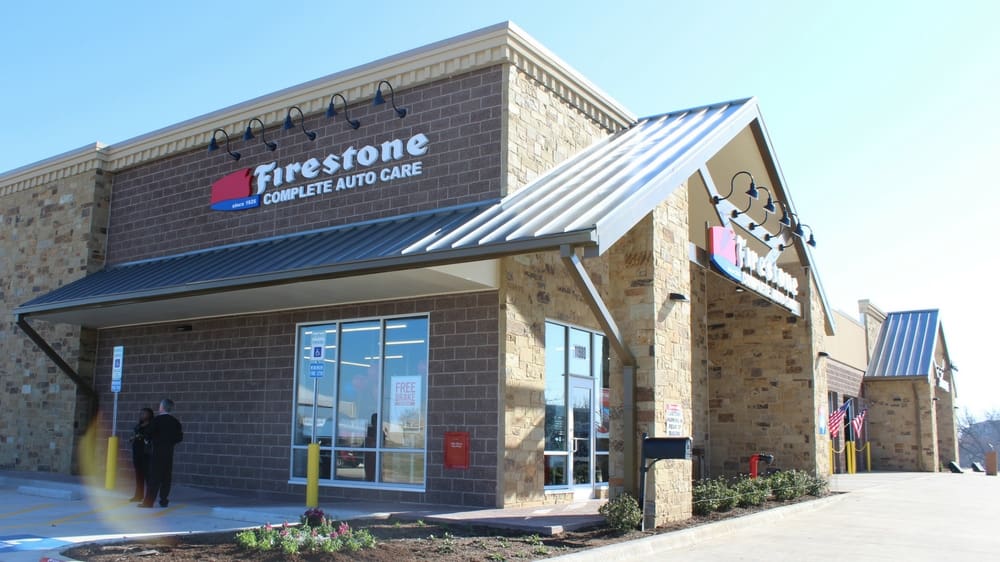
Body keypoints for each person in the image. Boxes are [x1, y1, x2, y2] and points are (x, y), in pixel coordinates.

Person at [140, 398, 183, 508]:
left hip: (157, 452)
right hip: (169, 453)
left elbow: (148, 433)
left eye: (160, 405)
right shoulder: (175, 422)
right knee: (166, 477)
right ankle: (164, 500)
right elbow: (179, 438)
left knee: (154, 477)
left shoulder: (156, 420)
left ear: (162, 407)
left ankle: (148, 502)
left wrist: (150, 439)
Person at [129, 407, 154, 501]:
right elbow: (136, 435)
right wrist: (134, 437)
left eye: (144, 413)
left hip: (146, 453)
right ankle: (138, 495)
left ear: (150, 415)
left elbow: (150, 437)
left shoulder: (151, 425)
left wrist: (141, 436)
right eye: (141, 413)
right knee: (138, 475)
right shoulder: (139, 425)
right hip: (137, 453)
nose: (141, 415)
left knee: (147, 476)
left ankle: (149, 497)